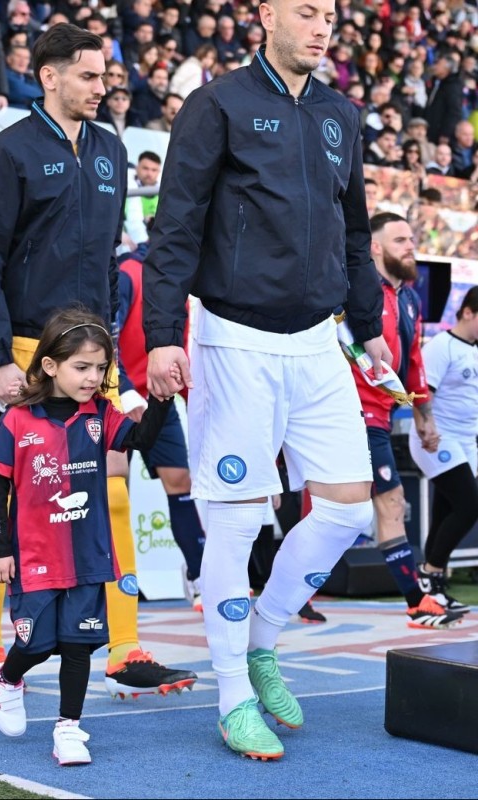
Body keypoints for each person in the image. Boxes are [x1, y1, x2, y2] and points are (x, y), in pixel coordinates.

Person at [142, 0, 390, 760]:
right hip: (234, 340)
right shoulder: (217, 104)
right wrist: (158, 336)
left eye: (331, 16)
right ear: (268, 16)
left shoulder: (339, 113)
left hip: (320, 344)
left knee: (351, 508)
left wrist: (371, 324)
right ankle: (232, 694)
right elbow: (175, 223)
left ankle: (261, 639)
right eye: (307, 12)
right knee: (238, 518)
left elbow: (354, 229)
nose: (322, 27)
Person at [0, 23, 197, 697]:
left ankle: (123, 649)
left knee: (112, 490)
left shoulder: (111, 151)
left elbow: (100, 264)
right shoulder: (7, 151)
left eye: (106, 76)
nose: (104, 88)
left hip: (92, 350)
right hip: (23, 351)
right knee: (2, 496)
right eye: (91, 77)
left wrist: (110, 358)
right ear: (50, 76)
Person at [0, 308, 177, 765]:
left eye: (100, 369)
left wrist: (162, 398)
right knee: (37, 643)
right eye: (82, 368)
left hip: (88, 554)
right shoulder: (18, 421)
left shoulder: (101, 415)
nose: (93, 378)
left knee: (77, 646)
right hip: (33, 558)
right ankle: (7, 679)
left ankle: (68, 728)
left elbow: (142, 440)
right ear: (50, 365)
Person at [352, 213, 460, 629]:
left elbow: (413, 367)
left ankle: (417, 601)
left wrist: (424, 418)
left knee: (378, 507)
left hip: (381, 413)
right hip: (350, 412)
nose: (410, 246)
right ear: (375, 247)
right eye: (400, 240)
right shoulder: (356, 290)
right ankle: (417, 601)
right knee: (389, 502)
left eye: (411, 238)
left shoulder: (411, 299)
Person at [116, 247, 206, 610]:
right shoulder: (128, 273)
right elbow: (105, 335)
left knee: (179, 480)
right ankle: (111, 584)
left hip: (160, 398)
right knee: (113, 488)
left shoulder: (192, 280)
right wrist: (122, 390)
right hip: (113, 397)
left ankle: (199, 576)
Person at [408, 286, 478, 617]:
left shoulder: (474, 350)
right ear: (467, 312)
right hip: (437, 438)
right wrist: (427, 426)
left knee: (447, 508)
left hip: (466, 442)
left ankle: (433, 588)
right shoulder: (442, 346)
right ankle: (430, 573)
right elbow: (421, 392)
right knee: (469, 504)